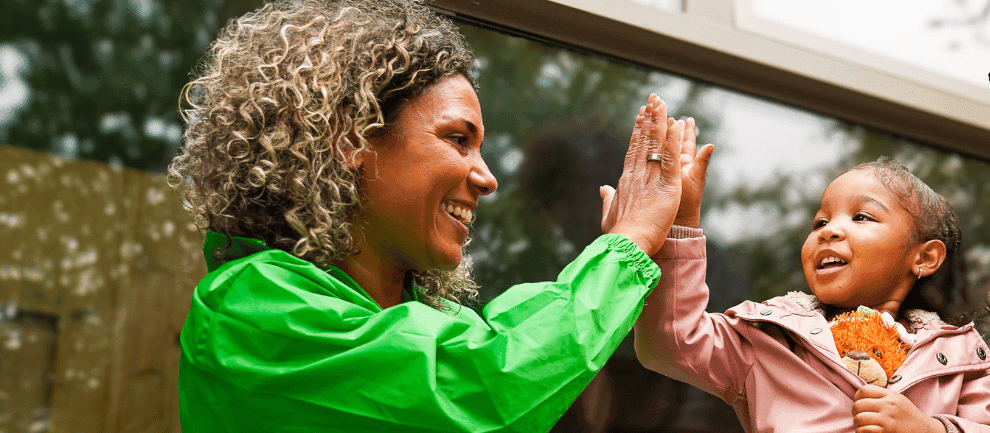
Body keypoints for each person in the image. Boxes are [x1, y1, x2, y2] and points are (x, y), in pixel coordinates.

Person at [167, 0, 686, 431]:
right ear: (351, 137)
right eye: (457, 139)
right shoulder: (250, 310)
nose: (487, 178)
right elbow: (489, 388)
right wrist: (629, 243)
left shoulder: (448, 325)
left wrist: (670, 239)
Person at [634, 140, 990, 432]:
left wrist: (929, 430)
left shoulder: (962, 358)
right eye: (820, 220)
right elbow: (671, 341)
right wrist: (680, 226)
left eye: (861, 216)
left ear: (924, 258)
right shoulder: (768, 337)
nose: (828, 230)